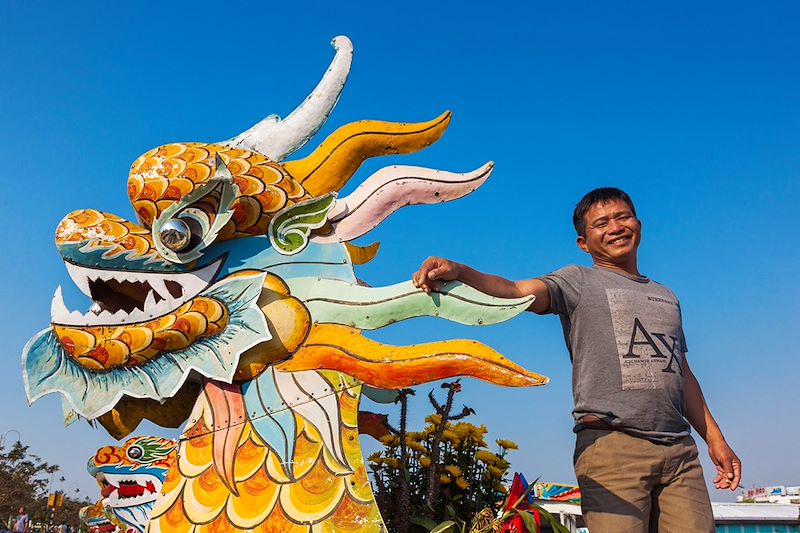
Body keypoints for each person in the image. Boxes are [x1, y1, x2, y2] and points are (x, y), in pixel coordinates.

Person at [412, 187, 740, 532]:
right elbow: (515, 290)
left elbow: (682, 373)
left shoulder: (666, 296)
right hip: (613, 445)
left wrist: (715, 439)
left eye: (622, 217)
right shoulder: (578, 281)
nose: (615, 227)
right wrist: (461, 271)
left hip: (680, 452)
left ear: (639, 225)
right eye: (601, 223)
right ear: (583, 243)